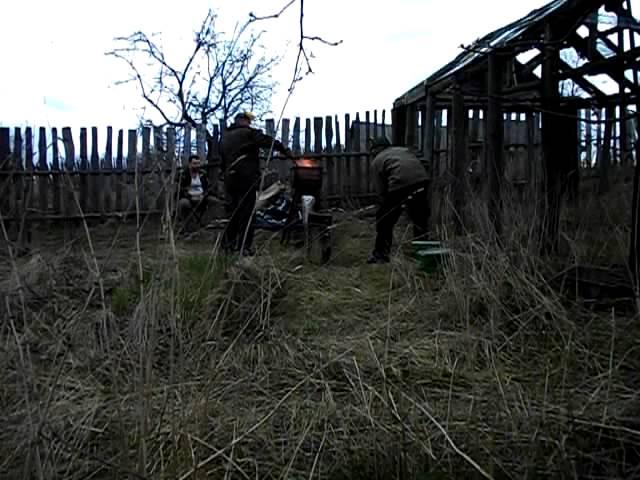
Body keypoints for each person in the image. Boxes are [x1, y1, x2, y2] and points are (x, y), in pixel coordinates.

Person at [219, 111, 293, 256]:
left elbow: (222, 160)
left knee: (233, 212)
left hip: (230, 180)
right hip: (246, 179)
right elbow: (267, 141)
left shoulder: (224, 137)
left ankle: (227, 246)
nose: (250, 124)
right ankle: (244, 247)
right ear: (243, 121)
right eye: (248, 121)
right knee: (247, 212)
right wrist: (283, 150)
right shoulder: (249, 133)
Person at [367, 136, 430, 264]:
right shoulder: (403, 150)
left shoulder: (377, 160)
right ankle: (423, 251)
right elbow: (424, 162)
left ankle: (381, 255)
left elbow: (380, 190)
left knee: (384, 220)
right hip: (422, 180)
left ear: (375, 150)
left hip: (399, 184)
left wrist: (384, 204)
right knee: (420, 218)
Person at [176, 154, 216, 230]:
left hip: (202, 197)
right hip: (188, 198)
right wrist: (191, 197)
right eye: (194, 164)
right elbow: (180, 189)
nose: (197, 166)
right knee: (183, 203)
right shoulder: (183, 174)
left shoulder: (203, 174)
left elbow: (208, 187)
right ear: (190, 164)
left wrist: (204, 195)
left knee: (214, 201)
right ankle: (186, 226)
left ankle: (209, 223)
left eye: (198, 163)